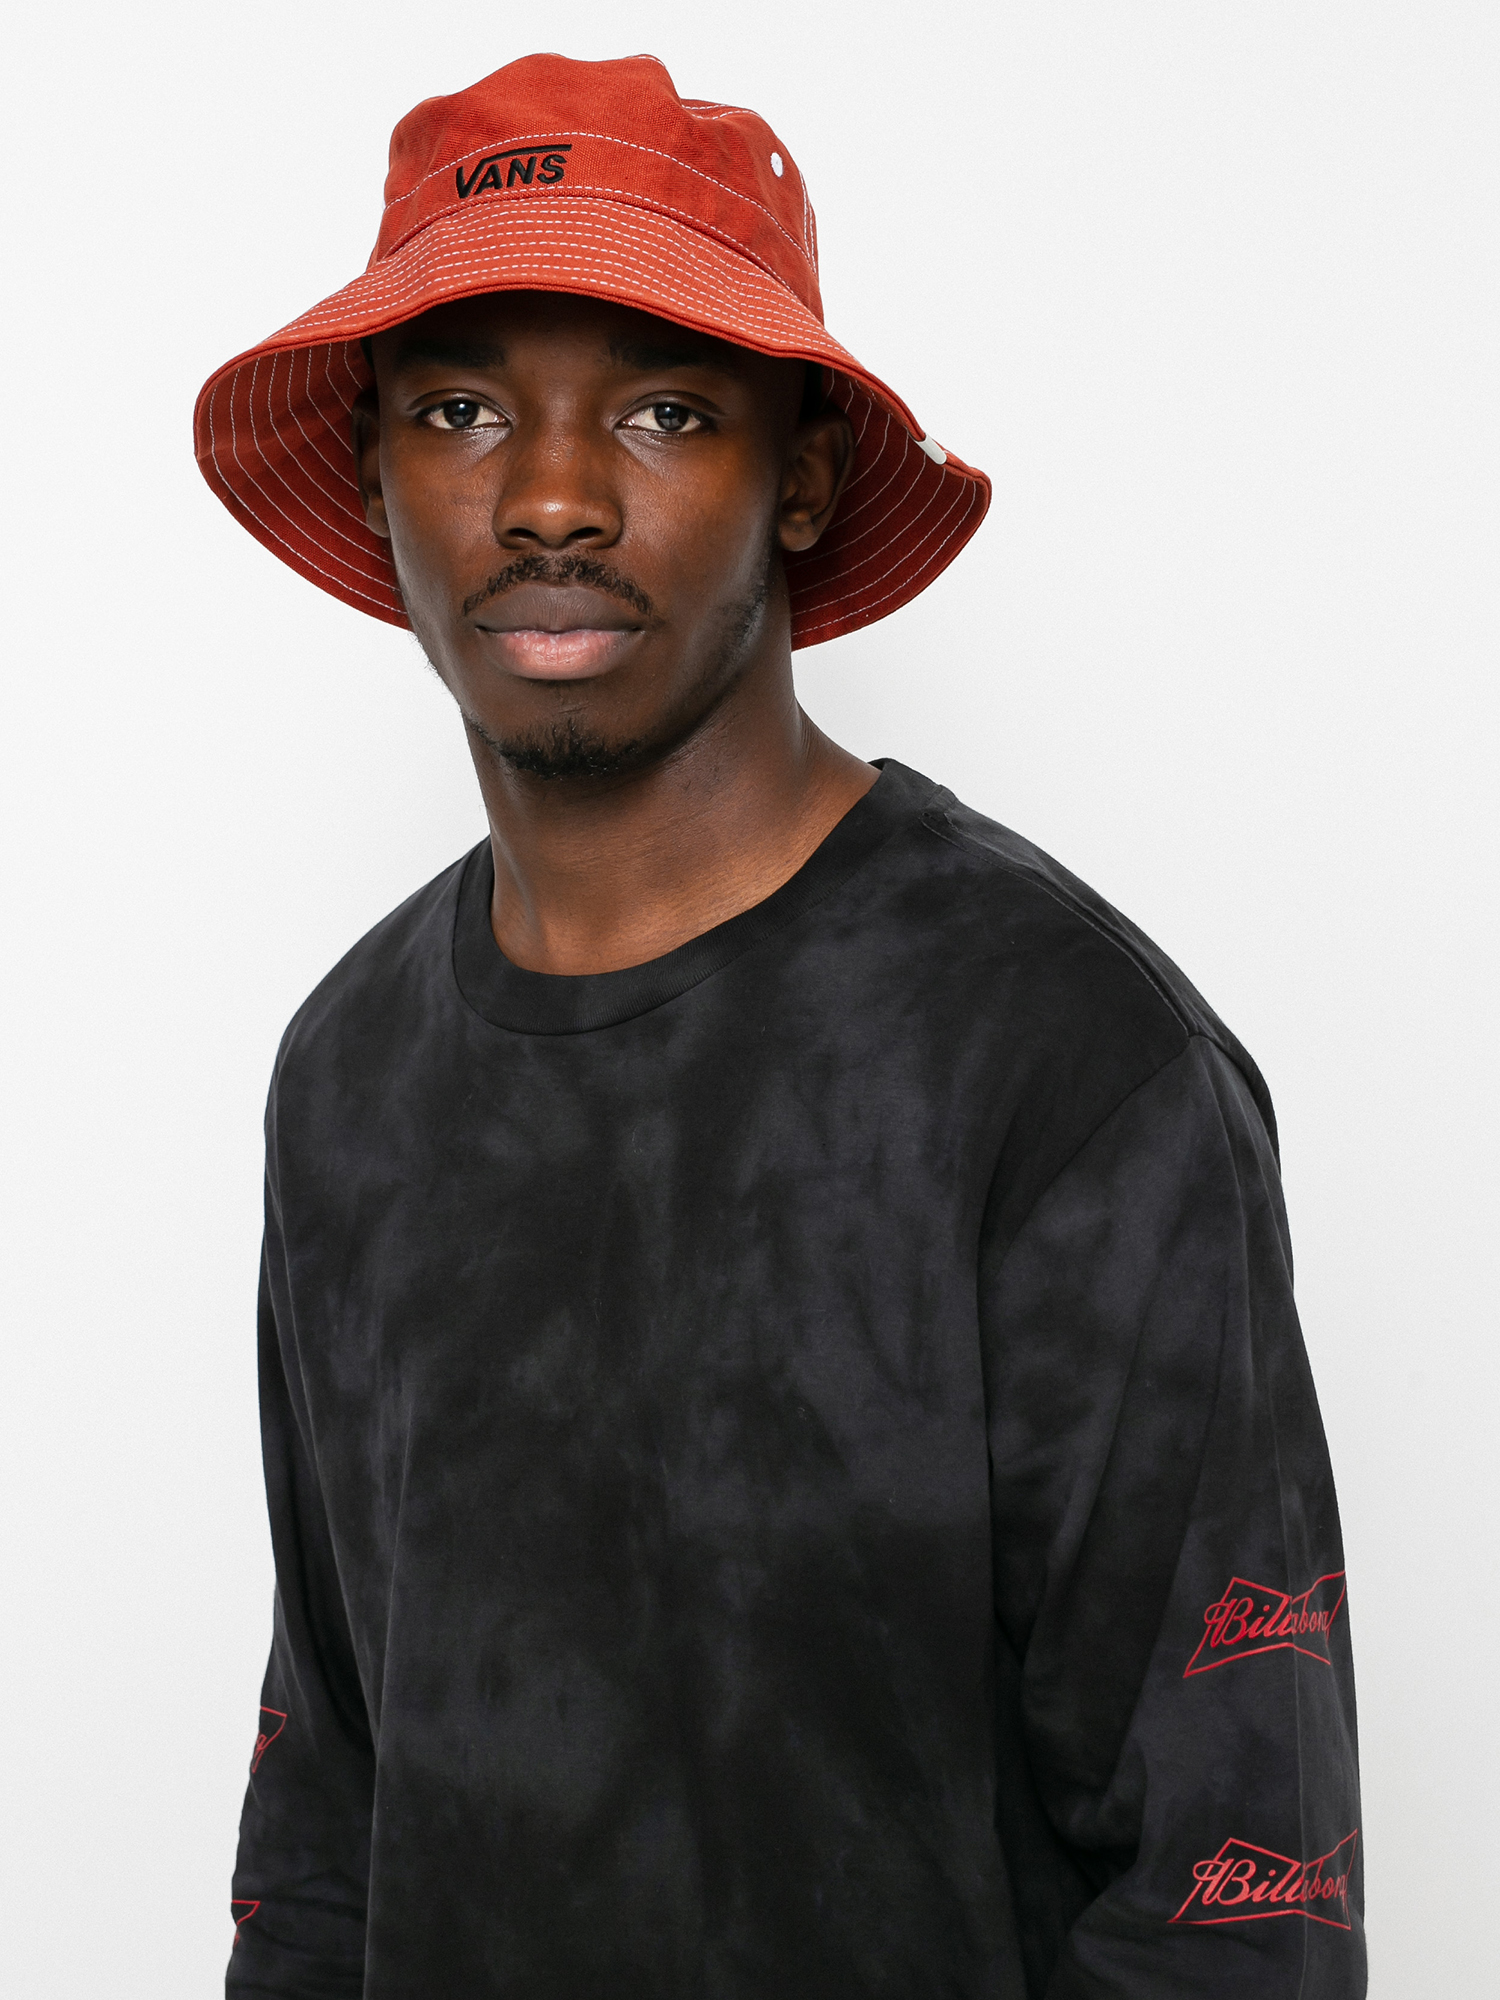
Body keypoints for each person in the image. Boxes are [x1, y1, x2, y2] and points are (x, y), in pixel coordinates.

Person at [195, 51, 1363, 2000]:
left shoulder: (1066, 1063)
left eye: (665, 410)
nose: (551, 497)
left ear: (802, 475)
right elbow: (327, 1822)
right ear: (378, 471)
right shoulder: (350, 1077)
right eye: (461, 409)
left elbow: (1231, 1912)